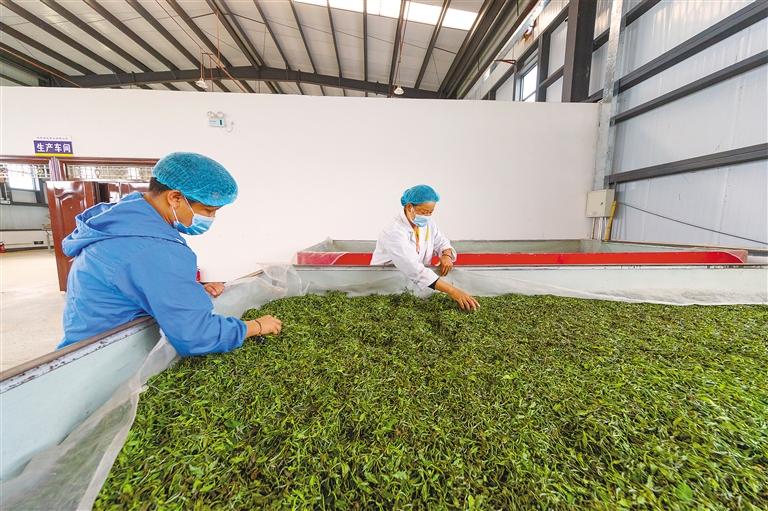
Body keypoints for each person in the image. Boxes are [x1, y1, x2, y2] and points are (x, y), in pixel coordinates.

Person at [57, 152, 281, 356]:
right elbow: (197, 335)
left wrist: (184, 291)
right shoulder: (154, 248)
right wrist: (256, 326)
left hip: (83, 343)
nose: (211, 218)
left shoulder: (122, 222)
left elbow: (133, 281)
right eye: (208, 210)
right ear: (175, 198)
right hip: (107, 359)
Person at [371, 185, 480, 311]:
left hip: (413, 284)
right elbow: (414, 269)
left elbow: (442, 242)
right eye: (423, 212)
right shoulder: (394, 232)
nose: (427, 216)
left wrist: (446, 255)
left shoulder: (428, 223)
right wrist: (454, 292)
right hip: (385, 284)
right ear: (409, 207)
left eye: (430, 212)